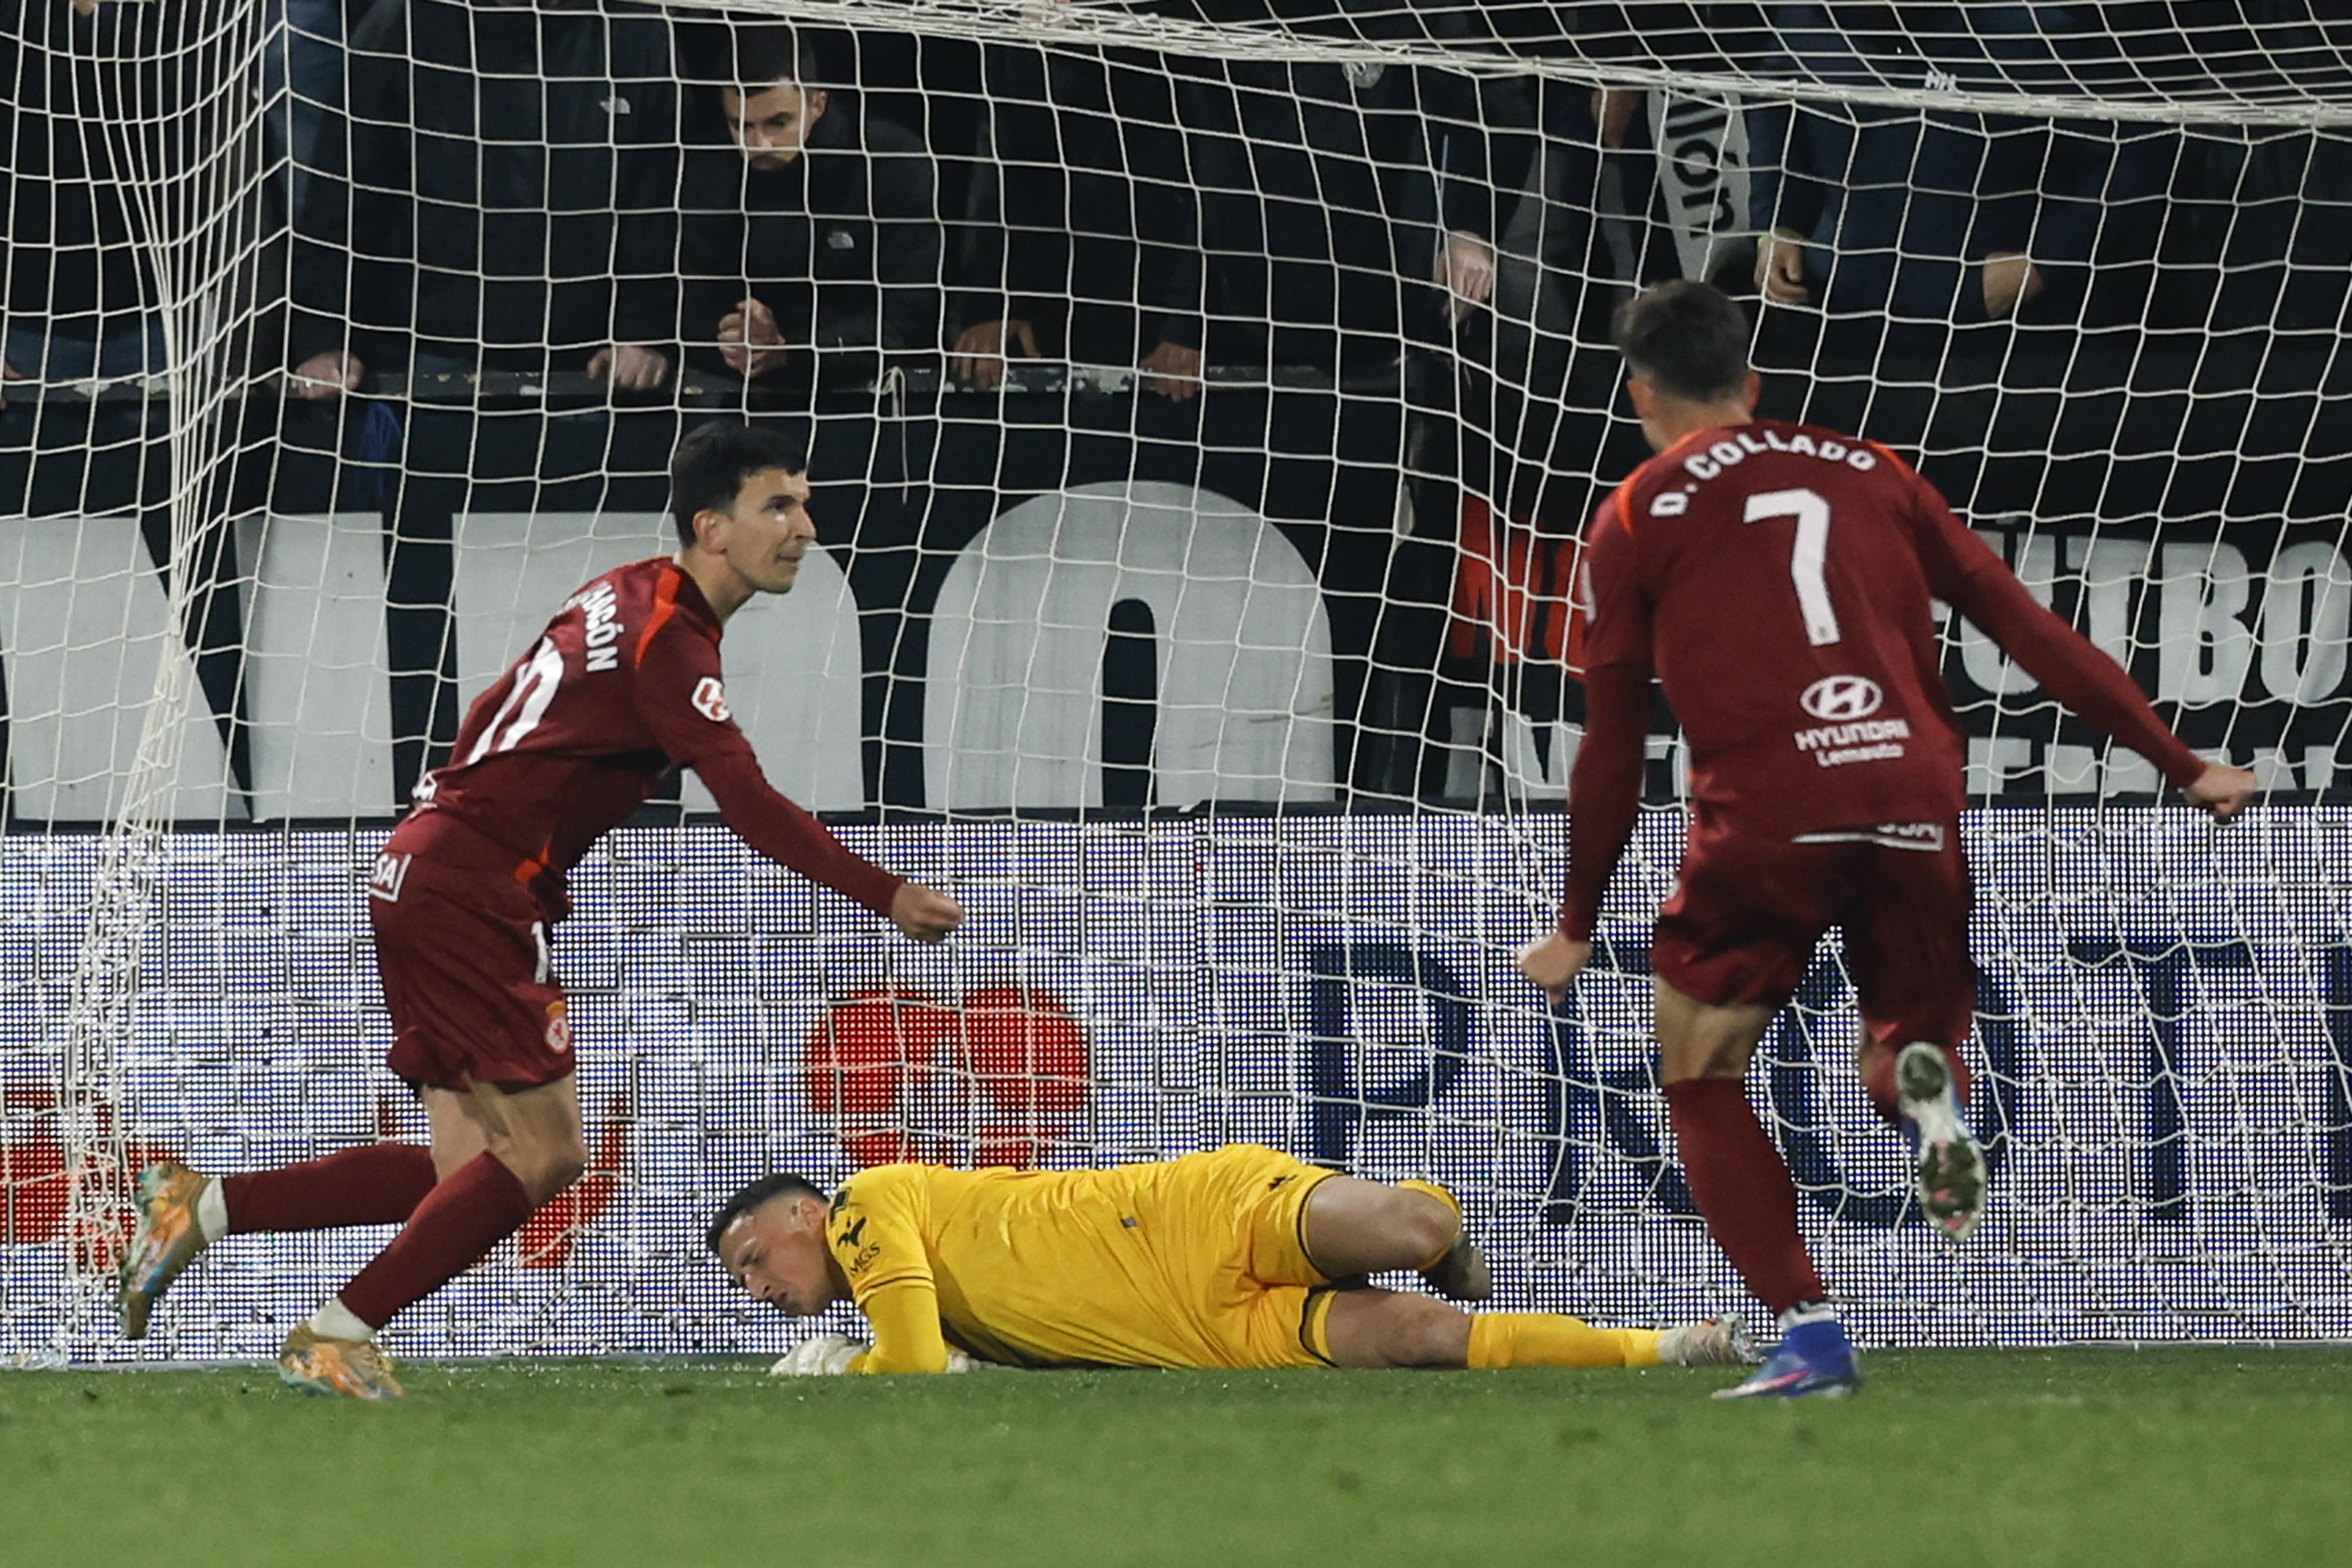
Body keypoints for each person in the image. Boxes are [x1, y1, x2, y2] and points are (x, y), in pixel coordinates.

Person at [1516, 279, 2259, 1399]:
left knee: (1700, 1075)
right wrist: (2179, 761)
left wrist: (1577, 921)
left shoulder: (1633, 514)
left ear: (1640, 392)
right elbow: (2022, 626)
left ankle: (1808, 1332)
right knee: (1903, 1031)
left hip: (1766, 813)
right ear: (1752, 385)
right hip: (1912, 793)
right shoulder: (1871, 468)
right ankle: (1922, 1091)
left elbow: (1610, 744)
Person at [116, 422, 966, 1399]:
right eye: (778, 505)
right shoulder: (669, 642)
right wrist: (885, 893)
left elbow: (493, 705)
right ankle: (332, 1334)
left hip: (425, 866)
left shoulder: (624, 591)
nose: (805, 527)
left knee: (465, 1169)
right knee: (552, 1151)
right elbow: (747, 803)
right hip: (471, 888)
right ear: (712, 527)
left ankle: (200, 1204)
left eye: (804, 503)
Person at [708, 1144, 1757, 1375]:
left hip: (1180, 1216)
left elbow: (910, 1369)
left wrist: (843, 1364)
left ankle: (1446, 1225)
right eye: (744, 1283)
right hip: (1201, 1336)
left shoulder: (865, 1202)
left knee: (1407, 1233)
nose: (761, 1289)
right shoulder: (935, 1313)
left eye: (757, 1256)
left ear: (804, 1210)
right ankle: (1657, 1348)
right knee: (1420, 1338)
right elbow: (941, 1357)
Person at [285, 0, 681, 399]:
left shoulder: (636, 31)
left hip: (589, 363)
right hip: (424, 355)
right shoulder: (403, 25)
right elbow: (346, 197)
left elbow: (660, 201)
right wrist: (325, 337)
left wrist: (643, 330)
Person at [678, 26, 942, 389]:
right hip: (737, 386)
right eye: (741, 126)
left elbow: (910, 314)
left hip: (862, 386)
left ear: (818, 103)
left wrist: (794, 347)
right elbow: (689, 299)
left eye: (778, 122)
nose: (759, 144)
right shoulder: (706, 168)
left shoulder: (890, 162)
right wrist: (737, 335)